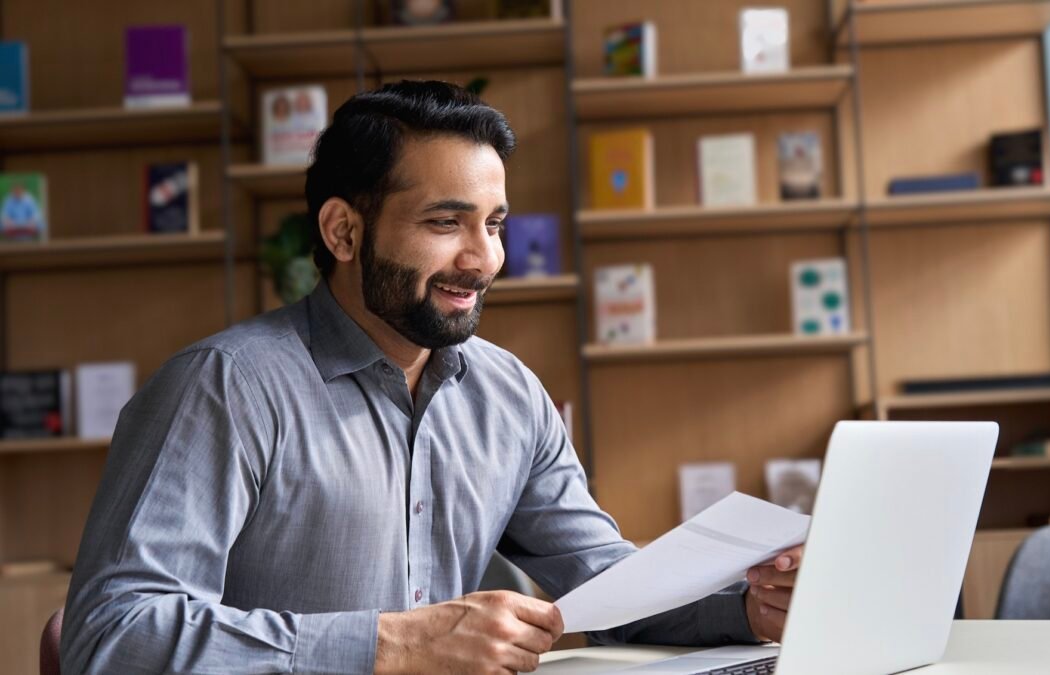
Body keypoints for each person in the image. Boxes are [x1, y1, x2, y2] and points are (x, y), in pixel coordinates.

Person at [61, 80, 803, 674]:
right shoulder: (223, 387)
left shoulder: (509, 395)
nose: (483, 260)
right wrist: (394, 645)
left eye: (496, 223)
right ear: (343, 231)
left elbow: (610, 587)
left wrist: (749, 609)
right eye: (446, 224)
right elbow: (113, 635)